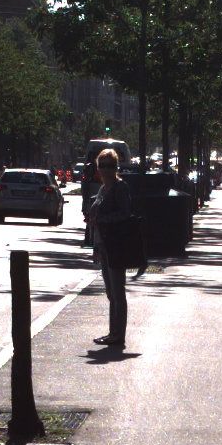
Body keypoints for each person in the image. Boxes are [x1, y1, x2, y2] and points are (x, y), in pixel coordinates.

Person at [84, 148, 134, 347]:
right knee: (110, 291)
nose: (106, 169)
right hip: (104, 244)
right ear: (97, 168)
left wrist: (102, 219)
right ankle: (113, 332)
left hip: (116, 244)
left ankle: (118, 335)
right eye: (102, 165)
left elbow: (125, 213)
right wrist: (96, 246)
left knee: (117, 290)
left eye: (110, 165)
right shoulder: (102, 189)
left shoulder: (119, 187)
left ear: (116, 167)